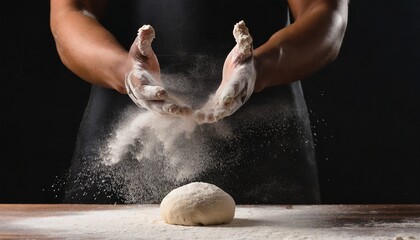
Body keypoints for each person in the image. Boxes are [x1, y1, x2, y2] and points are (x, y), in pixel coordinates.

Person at [50, 0, 349, 204]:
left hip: (266, 141)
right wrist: (125, 71)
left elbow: (324, 11)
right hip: (121, 142)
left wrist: (260, 67)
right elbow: (70, 11)